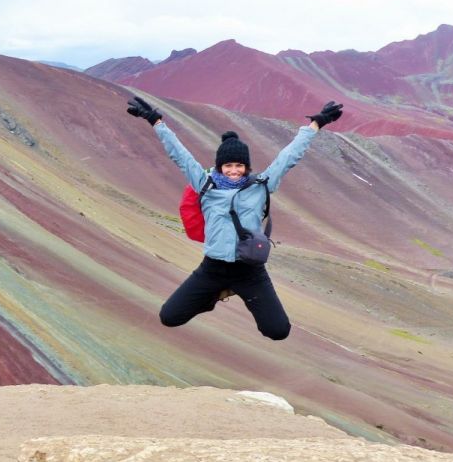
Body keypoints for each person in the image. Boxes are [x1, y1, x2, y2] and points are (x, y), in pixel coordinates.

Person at [127, 96, 342, 340]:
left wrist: (315, 125)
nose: (233, 170)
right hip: (213, 269)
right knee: (170, 317)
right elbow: (180, 155)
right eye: (228, 165)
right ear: (219, 166)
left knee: (278, 330)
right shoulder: (204, 184)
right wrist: (155, 121)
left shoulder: (261, 185)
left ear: (246, 167)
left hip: (249, 271)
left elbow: (288, 157)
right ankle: (215, 294)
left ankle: (233, 289)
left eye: (239, 165)